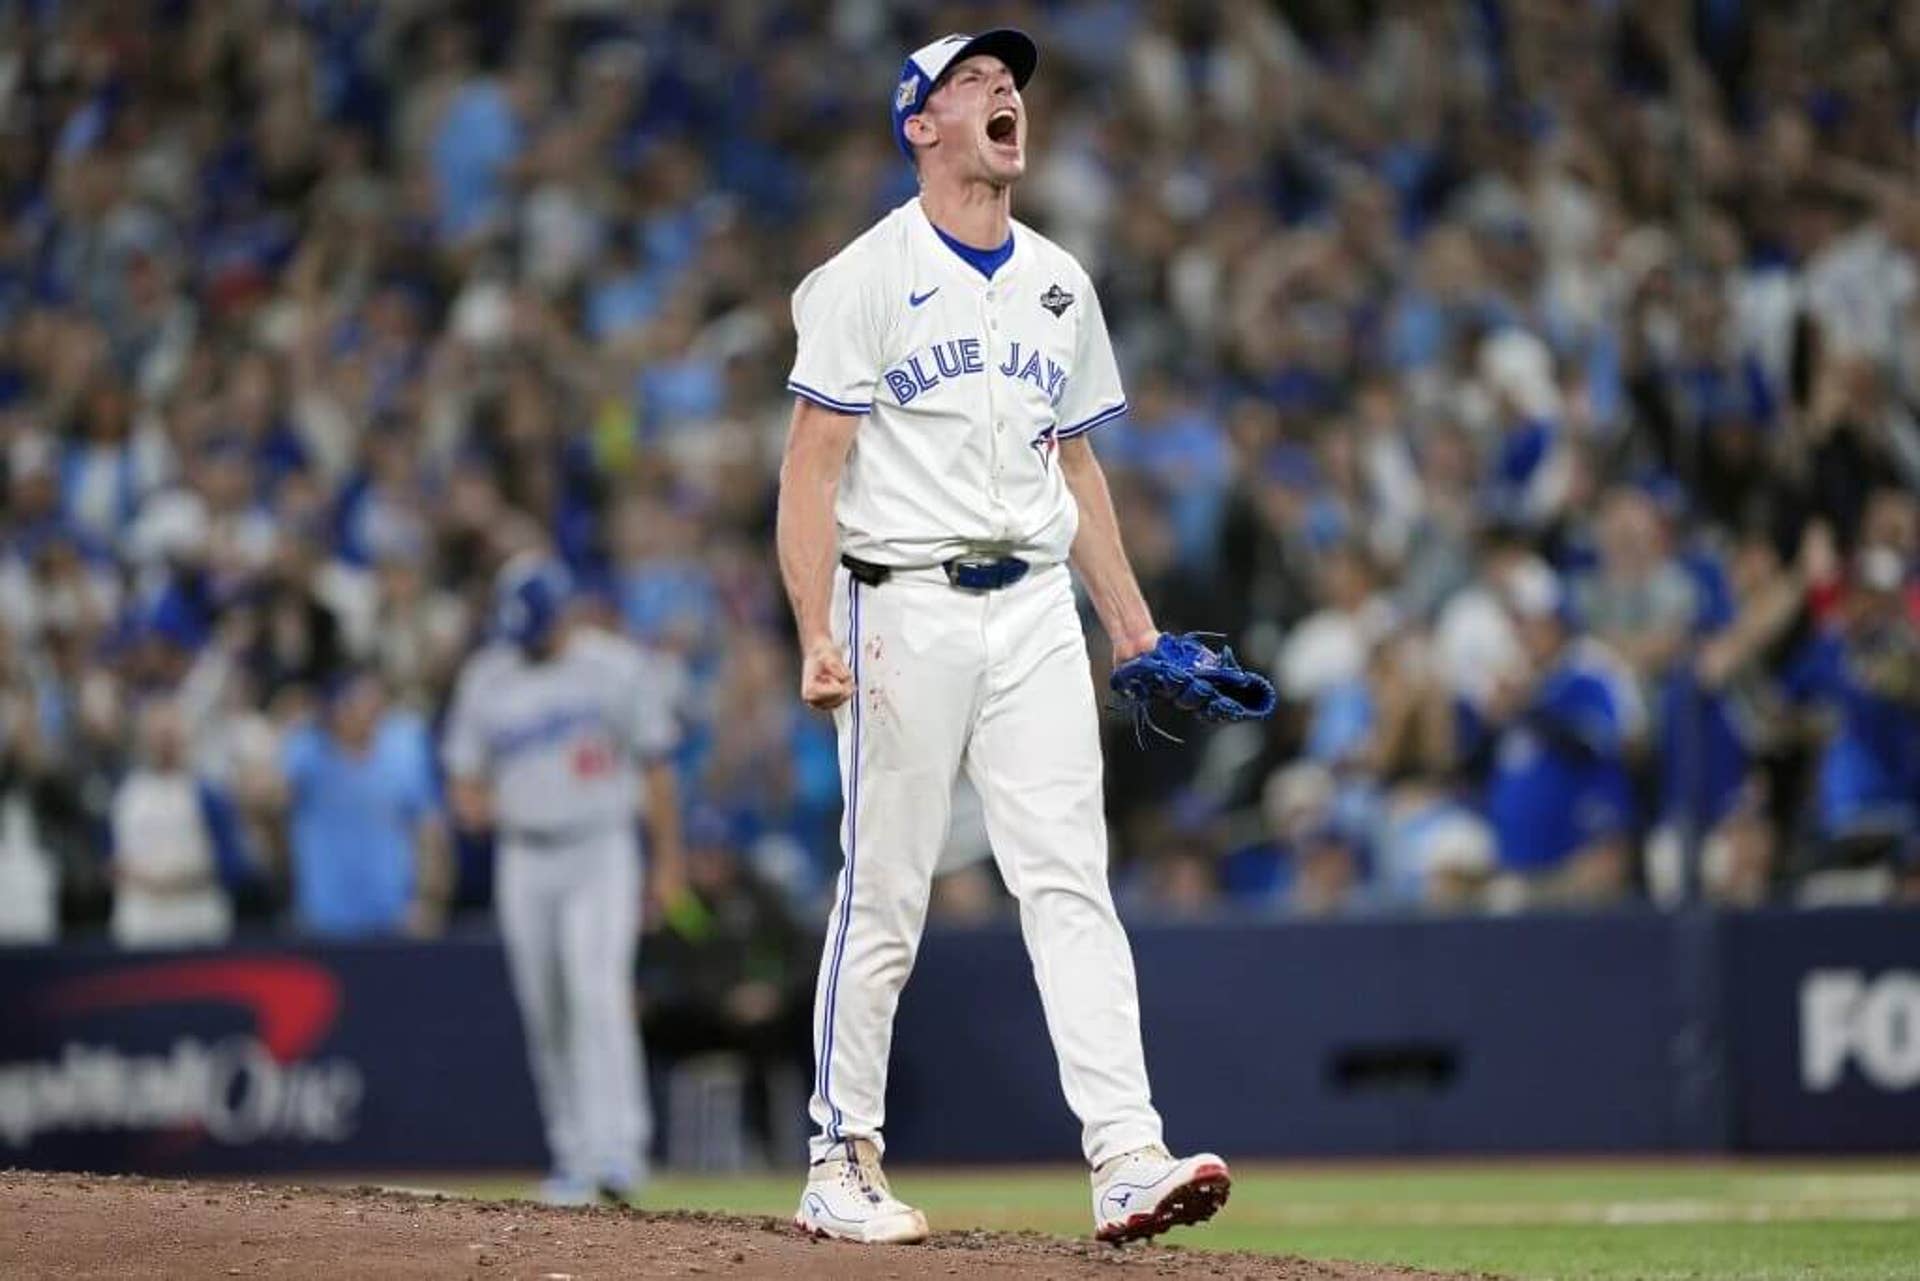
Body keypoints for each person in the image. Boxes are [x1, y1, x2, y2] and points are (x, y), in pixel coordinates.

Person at [774, 29, 1229, 1246]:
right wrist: (814, 626)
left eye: (1009, 79)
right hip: (901, 599)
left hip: (1033, 608)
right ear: (918, 124)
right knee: (886, 891)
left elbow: (1074, 463)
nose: (1003, 93)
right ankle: (841, 1157)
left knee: (1070, 876)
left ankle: (1127, 1153)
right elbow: (812, 466)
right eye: (972, 81)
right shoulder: (862, 277)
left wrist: (1131, 627)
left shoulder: (1060, 282)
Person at [442, 556, 687, 1206]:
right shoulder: (486, 676)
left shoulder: (612, 667)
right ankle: (574, 1155)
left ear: (565, 614)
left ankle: (621, 1152)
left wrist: (666, 863)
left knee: (595, 988)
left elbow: (658, 768)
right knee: (545, 1004)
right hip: (524, 854)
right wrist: (476, 804)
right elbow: (464, 777)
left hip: (600, 846)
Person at [272, 669, 449, 938]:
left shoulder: (405, 745)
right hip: (323, 918)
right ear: (336, 707)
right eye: (362, 701)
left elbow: (429, 829)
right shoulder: (307, 749)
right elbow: (267, 800)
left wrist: (430, 898)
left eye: (378, 701)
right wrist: (285, 727)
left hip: (394, 915)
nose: (373, 710)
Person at [108, 697, 250, 948]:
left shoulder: (207, 793)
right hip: (142, 920)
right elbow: (110, 856)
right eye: (158, 735)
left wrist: (181, 879)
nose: (165, 743)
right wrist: (136, 876)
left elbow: (233, 864)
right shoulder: (126, 793)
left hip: (195, 918)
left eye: (171, 735)